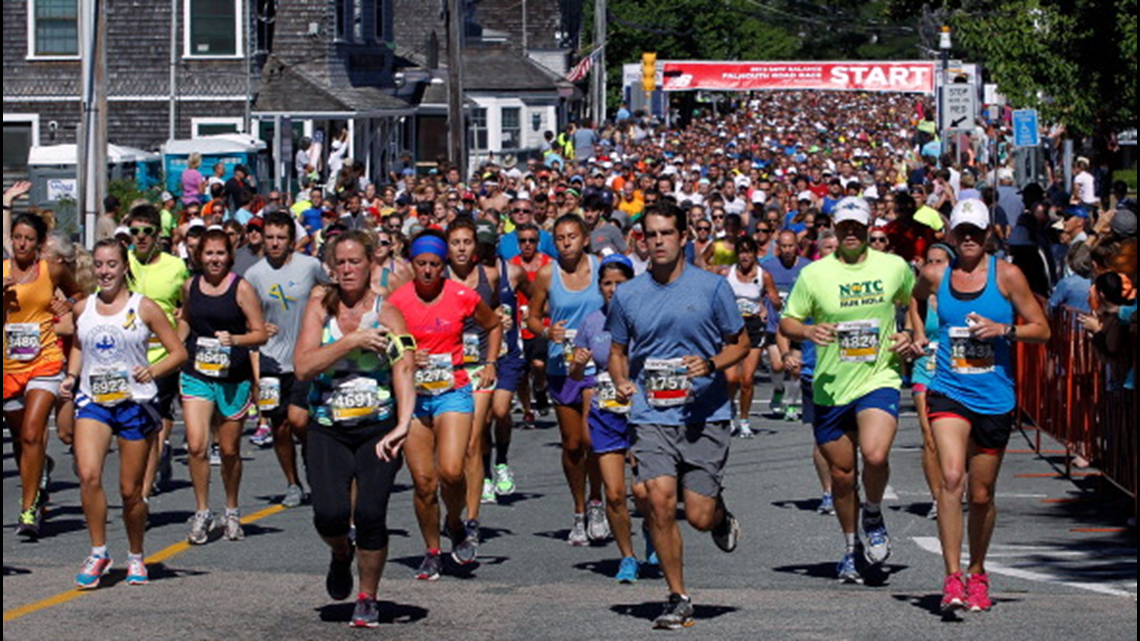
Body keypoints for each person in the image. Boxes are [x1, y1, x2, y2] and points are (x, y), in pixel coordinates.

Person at [607, 203, 747, 630]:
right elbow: (617, 353)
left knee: (700, 515)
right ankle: (678, 596)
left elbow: (739, 342)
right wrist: (621, 382)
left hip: (704, 413)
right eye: (651, 235)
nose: (659, 242)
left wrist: (710, 363)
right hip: (651, 413)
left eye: (667, 233)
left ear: (684, 237)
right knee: (659, 499)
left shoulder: (711, 288)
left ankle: (721, 515)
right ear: (642, 241)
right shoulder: (628, 294)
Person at [912, 198, 1050, 612]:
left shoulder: (1006, 275)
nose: (969, 238)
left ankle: (978, 571)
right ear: (951, 235)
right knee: (952, 478)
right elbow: (913, 300)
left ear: (988, 234)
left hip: (994, 397)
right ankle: (952, 577)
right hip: (948, 389)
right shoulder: (936, 274)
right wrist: (916, 333)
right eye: (962, 231)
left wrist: (1004, 329)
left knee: (982, 492)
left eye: (976, 231)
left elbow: (1041, 328)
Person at [780, 196, 917, 584]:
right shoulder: (815, 274)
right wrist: (806, 331)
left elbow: (916, 300)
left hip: (878, 377)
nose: (852, 232)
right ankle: (850, 547)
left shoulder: (893, 267)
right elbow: (789, 320)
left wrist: (911, 334)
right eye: (845, 227)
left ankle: (872, 511)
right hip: (831, 384)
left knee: (874, 455)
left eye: (858, 225)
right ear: (835, 230)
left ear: (869, 226)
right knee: (842, 476)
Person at [293, 229, 416, 628]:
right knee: (329, 515)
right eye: (340, 263)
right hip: (328, 425)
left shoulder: (387, 312)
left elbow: (404, 366)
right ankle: (340, 552)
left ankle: (367, 597)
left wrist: (402, 423)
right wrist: (351, 341)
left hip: (377, 428)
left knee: (370, 513)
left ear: (370, 266)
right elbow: (304, 366)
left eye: (355, 262)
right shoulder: (319, 305)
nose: (347, 270)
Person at [61, 239, 187, 588]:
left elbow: (178, 352)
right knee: (88, 475)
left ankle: (135, 554)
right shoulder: (82, 308)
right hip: (93, 402)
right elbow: (78, 344)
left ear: (124, 268)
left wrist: (154, 371)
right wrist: (72, 376)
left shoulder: (143, 307)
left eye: (112, 265)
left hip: (135, 403)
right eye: (99, 265)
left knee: (131, 491)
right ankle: (99, 551)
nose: (105, 271)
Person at [389, 231, 502, 579]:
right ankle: (432, 549)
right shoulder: (397, 301)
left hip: (453, 388)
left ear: (443, 266)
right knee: (423, 482)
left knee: (452, 470)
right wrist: (407, 354)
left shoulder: (461, 295)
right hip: (414, 394)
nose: (427, 271)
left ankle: (456, 523)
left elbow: (494, 323)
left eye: (434, 265)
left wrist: (491, 362)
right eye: (421, 264)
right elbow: (384, 345)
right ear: (412, 264)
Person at [180, 229, 268, 544]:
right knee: (196, 445)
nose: (214, 259)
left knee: (229, 450)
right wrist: (176, 344)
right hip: (197, 373)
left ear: (229, 256)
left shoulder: (241, 288)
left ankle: (231, 508)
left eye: (220, 254)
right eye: (208, 254)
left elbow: (260, 333)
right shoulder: (190, 286)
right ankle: (202, 511)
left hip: (233, 376)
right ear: (198, 256)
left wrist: (237, 340)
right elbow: (186, 320)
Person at [525, 214, 607, 546]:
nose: (566, 242)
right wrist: (547, 331)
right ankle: (578, 511)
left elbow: (621, 303)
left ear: (585, 238)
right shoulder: (547, 274)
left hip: (596, 365)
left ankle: (598, 502)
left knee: (591, 439)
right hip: (562, 366)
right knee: (572, 445)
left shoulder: (601, 269)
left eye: (572, 236)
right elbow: (531, 317)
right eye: (559, 238)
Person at [569, 254, 649, 583]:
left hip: (643, 411)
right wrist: (577, 362)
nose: (613, 289)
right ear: (599, 287)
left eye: (620, 283)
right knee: (615, 494)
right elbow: (576, 374)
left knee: (645, 492)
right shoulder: (590, 323)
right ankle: (627, 556)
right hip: (606, 412)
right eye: (607, 283)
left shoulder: (646, 319)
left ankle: (655, 539)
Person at [4, 213, 85, 537]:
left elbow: (80, 292)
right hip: (8, 367)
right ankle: (39, 475)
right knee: (20, 439)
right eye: (17, 237)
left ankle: (29, 508)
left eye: (28, 239)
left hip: (45, 361)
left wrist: (67, 306)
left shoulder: (50, 270)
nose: (22, 243)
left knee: (33, 431)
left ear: (38, 244)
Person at [244, 211, 329, 507]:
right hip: (270, 359)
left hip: (304, 357)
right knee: (279, 425)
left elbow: (331, 294)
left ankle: (316, 469)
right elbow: (247, 315)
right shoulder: (254, 275)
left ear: (292, 240)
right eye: (270, 238)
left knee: (300, 420)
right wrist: (257, 327)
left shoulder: (310, 266)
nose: (275, 243)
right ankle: (293, 483)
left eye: (281, 238)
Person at [443, 219, 505, 541]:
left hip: (480, 365)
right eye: (456, 243)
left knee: (472, 443)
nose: (462, 249)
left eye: (467, 242)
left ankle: (472, 518)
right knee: (447, 453)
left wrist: (493, 360)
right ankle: (452, 511)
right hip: (446, 368)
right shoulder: (437, 279)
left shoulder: (489, 276)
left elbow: (495, 316)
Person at [125, 205, 192, 500]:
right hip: (125, 357)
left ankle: (143, 491)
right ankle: (149, 464)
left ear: (158, 235)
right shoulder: (122, 263)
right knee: (133, 424)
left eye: (146, 232)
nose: (140, 237)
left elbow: (186, 306)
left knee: (153, 423)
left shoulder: (175, 267)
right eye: (135, 231)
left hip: (160, 356)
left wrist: (177, 339)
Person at [910, 243, 956, 521]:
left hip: (955, 369)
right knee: (930, 437)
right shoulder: (920, 298)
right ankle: (937, 497)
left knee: (953, 439)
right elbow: (909, 329)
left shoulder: (961, 294)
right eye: (930, 261)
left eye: (940, 261)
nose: (934, 266)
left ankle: (953, 487)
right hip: (925, 368)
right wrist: (913, 337)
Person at [724, 236, 781, 438]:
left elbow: (776, 302)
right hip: (732, 329)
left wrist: (772, 302)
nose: (745, 256)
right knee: (731, 378)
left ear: (755, 254)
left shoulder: (763, 276)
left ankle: (745, 420)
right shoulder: (727, 273)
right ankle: (729, 412)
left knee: (747, 379)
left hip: (754, 328)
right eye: (742, 252)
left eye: (749, 252)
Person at [761, 231, 811, 418]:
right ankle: (778, 389)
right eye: (783, 246)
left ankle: (791, 403)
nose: (787, 250)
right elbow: (757, 290)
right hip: (775, 324)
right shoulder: (768, 267)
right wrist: (762, 308)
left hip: (798, 325)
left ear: (796, 246)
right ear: (778, 247)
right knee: (777, 365)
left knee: (795, 367)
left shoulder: (807, 267)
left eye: (790, 246)